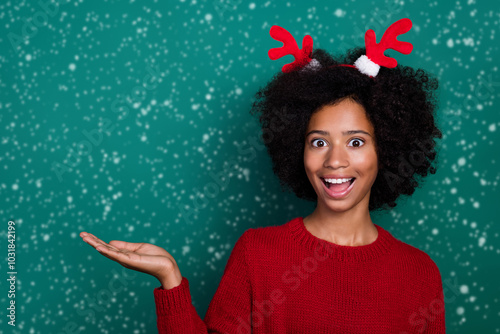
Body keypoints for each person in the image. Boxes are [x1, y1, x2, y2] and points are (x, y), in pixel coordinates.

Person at [80, 18, 446, 333]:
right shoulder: (257, 254)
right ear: (297, 149)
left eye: (355, 141)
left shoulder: (419, 275)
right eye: (319, 142)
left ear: (386, 149)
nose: (335, 160)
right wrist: (170, 279)